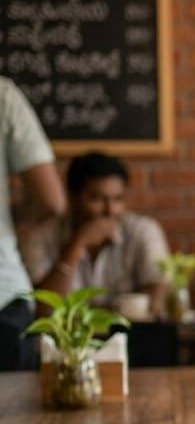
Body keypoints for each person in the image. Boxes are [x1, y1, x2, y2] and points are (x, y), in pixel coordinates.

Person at [22, 150, 171, 317]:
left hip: (131, 335)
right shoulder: (43, 236)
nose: (110, 210)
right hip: (64, 339)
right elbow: (44, 309)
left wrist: (92, 315)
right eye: (98, 199)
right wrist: (77, 245)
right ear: (72, 198)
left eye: (118, 199)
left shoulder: (143, 231)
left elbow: (157, 295)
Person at [0, 78, 66, 370]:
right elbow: (51, 200)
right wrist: (9, 218)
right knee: (14, 414)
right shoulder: (3, 96)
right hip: (2, 297)